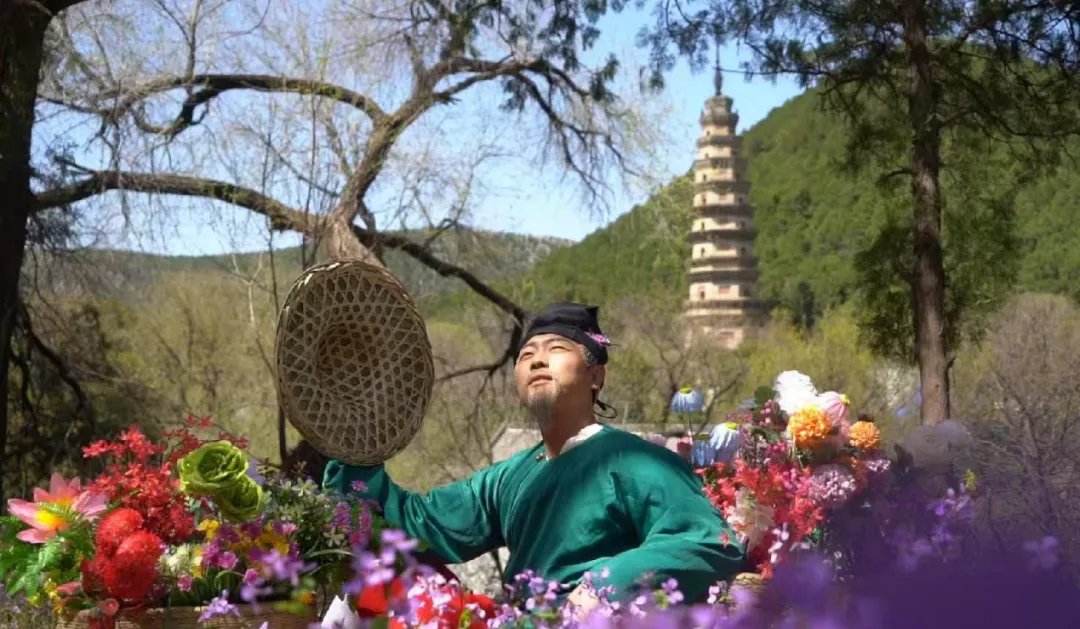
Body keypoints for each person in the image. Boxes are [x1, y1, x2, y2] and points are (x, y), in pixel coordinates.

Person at [323, 302, 745, 611]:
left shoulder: (636, 460)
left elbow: (705, 541)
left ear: (596, 375)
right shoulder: (506, 478)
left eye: (557, 349)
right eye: (526, 355)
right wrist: (355, 450)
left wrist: (601, 589)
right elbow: (418, 524)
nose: (537, 359)